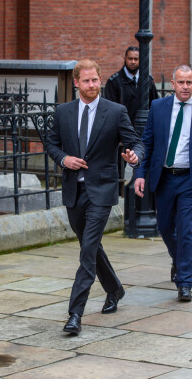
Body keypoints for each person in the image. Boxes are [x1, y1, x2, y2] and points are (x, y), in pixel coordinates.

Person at [47, 59, 144, 335]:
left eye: (95, 80)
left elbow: (135, 141)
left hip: (102, 191)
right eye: (86, 81)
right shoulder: (64, 112)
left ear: (100, 79)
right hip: (74, 192)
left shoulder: (115, 111)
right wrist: (65, 159)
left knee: (87, 250)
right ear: (76, 82)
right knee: (90, 246)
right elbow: (51, 143)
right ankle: (114, 288)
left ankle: (75, 313)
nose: (91, 85)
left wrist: (135, 156)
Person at [134, 65, 192, 302]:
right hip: (164, 178)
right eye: (181, 82)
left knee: (187, 230)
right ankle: (179, 258)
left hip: (191, 179)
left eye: (190, 83)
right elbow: (148, 143)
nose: (186, 87)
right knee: (165, 226)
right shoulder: (158, 107)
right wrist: (140, 174)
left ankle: (184, 282)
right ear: (173, 84)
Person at [103, 46, 159, 125]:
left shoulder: (148, 80)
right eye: (130, 59)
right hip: (122, 127)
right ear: (125, 59)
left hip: (144, 128)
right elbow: (110, 108)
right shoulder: (114, 81)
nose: (133, 62)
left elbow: (154, 105)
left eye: (136, 59)